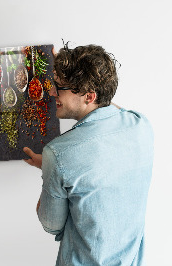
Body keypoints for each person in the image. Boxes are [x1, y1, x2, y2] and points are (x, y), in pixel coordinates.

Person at [23, 43, 154, 265]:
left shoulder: (58, 154)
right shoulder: (141, 125)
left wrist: (49, 168)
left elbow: (51, 224)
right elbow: (107, 106)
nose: (53, 92)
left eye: (60, 87)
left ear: (89, 96)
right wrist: (69, 72)